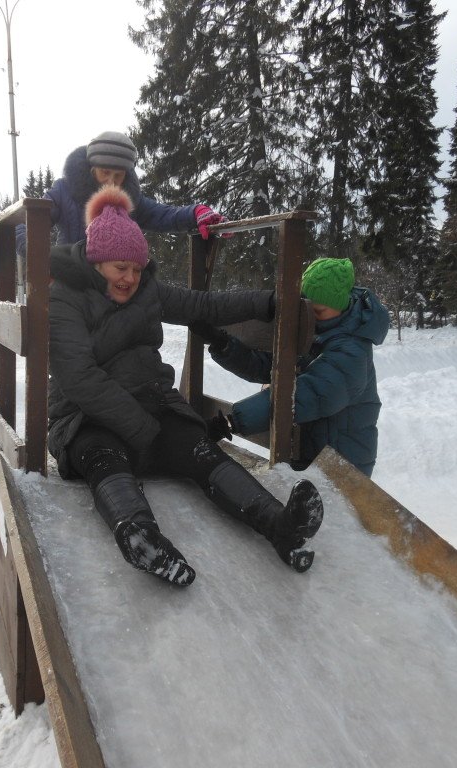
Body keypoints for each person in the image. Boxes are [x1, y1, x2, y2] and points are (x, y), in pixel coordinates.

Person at [48, 185, 324, 586]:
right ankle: (142, 537)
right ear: (96, 262)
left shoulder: (147, 291)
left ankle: (279, 525)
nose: (130, 278)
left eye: (137, 268)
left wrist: (267, 301)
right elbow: (78, 377)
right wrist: (141, 428)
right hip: (85, 415)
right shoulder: (65, 297)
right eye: (119, 268)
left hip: (151, 402)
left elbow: (204, 305)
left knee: (200, 450)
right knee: (101, 454)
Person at [192, 257, 389, 476]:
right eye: (306, 310)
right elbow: (273, 367)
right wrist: (224, 345)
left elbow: (305, 396)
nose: (311, 318)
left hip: (344, 469)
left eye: (319, 311)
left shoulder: (351, 352)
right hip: (312, 458)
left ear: (341, 306)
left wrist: (230, 422)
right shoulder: (317, 334)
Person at [16, 130, 227, 254]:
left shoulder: (129, 200)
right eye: (105, 173)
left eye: (119, 175)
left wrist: (195, 212)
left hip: (115, 286)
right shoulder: (64, 191)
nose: (112, 182)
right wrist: (33, 250)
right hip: (71, 284)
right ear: (92, 170)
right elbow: (30, 220)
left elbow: (163, 214)